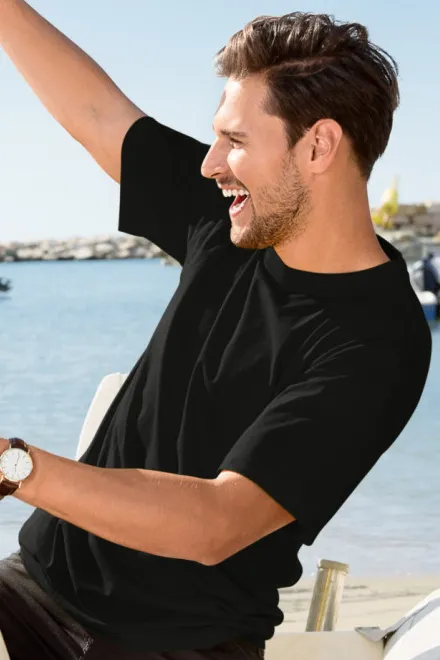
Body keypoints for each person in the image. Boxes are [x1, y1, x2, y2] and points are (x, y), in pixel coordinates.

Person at [0, 4, 432, 660]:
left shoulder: (379, 342)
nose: (210, 164)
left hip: (179, 646)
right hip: (33, 589)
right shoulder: (233, 220)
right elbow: (97, 115)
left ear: (318, 146)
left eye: (235, 140)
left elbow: (216, 523)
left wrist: (14, 466)